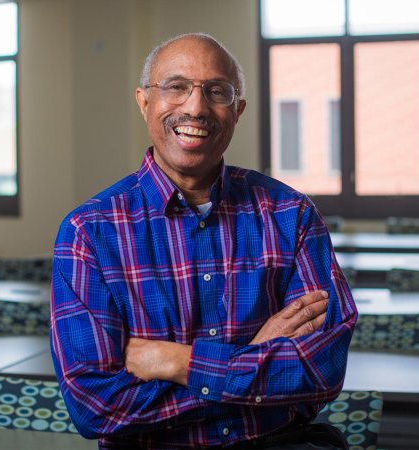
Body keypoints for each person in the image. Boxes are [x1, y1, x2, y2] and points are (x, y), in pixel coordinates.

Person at [50, 33, 357, 449]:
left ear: (238, 111)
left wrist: (178, 362)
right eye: (176, 87)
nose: (195, 107)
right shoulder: (88, 233)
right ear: (143, 102)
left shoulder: (292, 215)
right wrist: (255, 360)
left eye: (216, 92)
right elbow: (97, 408)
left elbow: (322, 370)